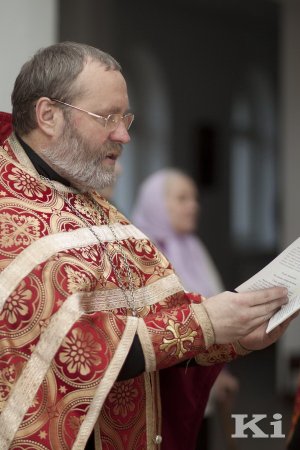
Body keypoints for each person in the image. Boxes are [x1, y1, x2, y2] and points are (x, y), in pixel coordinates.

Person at [0, 41, 292, 450]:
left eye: (127, 118)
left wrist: (237, 333)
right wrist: (205, 324)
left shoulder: (90, 201)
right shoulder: (10, 209)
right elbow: (68, 348)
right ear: (48, 115)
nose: (124, 135)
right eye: (107, 117)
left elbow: (156, 316)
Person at [131, 168, 239, 450]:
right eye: (182, 198)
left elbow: (216, 307)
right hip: (161, 385)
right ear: (157, 204)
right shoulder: (140, 251)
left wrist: (221, 372)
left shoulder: (193, 247)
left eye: (194, 198)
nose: (194, 205)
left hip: (202, 378)